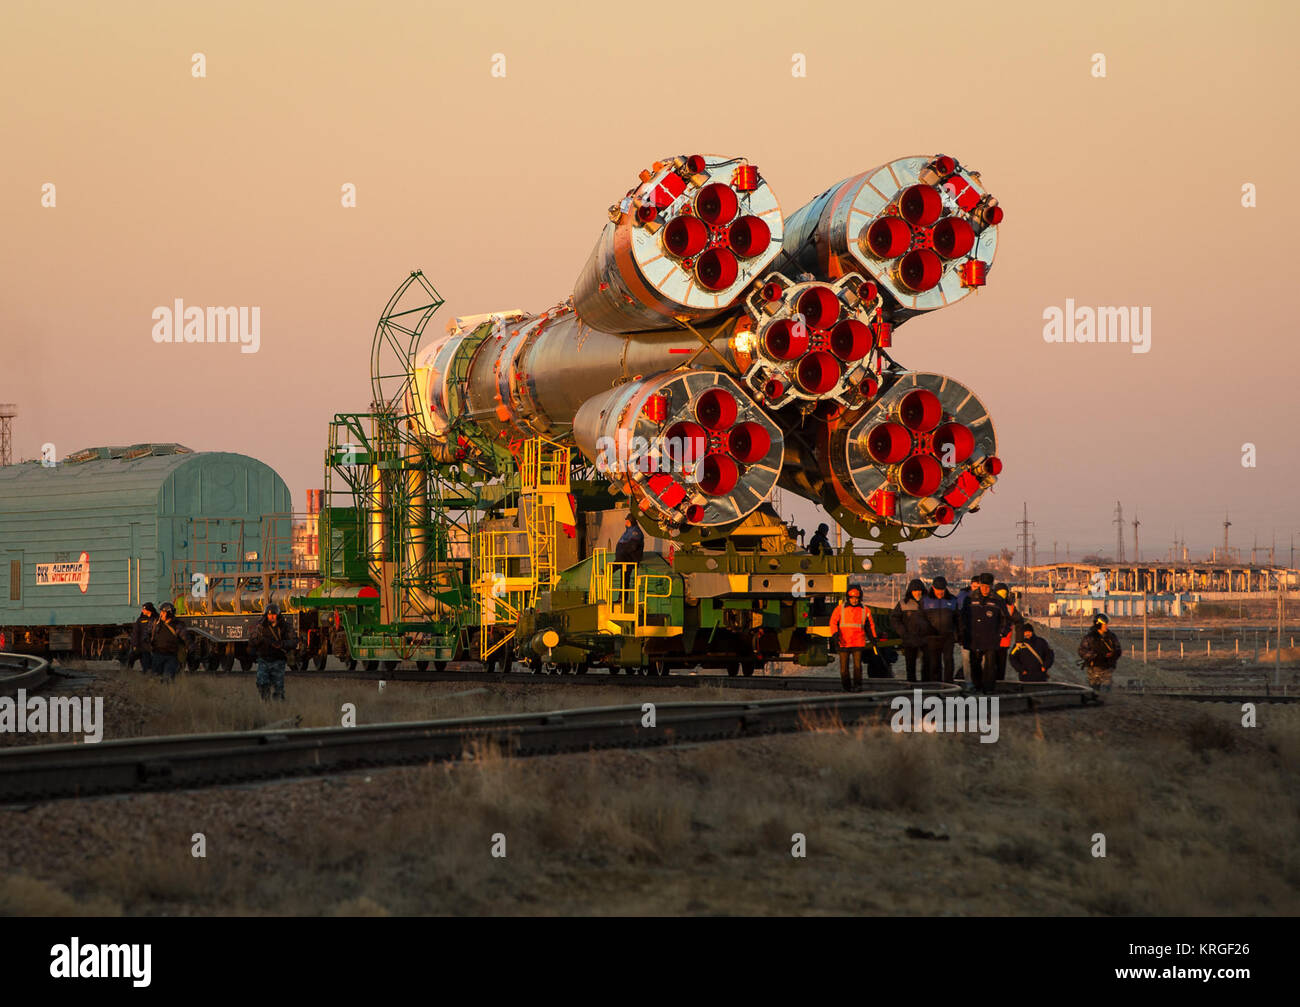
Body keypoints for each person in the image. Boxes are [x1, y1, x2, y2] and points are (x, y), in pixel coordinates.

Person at [960, 573, 1010, 694]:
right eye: (983, 586)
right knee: (975, 664)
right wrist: (963, 632)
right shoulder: (970, 599)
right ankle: (977, 686)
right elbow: (962, 617)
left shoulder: (998, 600)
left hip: (991, 638)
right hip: (974, 638)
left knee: (990, 665)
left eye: (987, 587)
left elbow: (1006, 619)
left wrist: (1001, 634)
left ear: (991, 586)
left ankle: (988, 689)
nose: (985, 589)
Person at [829, 584, 879, 692]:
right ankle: (846, 687)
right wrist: (835, 635)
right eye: (852, 598)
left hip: (857, 642)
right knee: (844, 668)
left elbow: (870, 626)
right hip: (843, 642)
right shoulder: (840, 609)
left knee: (857, 667)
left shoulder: (865, 610)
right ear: (848, 597)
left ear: (859, 598)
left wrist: (874, 639)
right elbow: (833, 622)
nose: (854, 600)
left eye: (856, 598)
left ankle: (857, 686)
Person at [250, 602, 298, 701]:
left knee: (278, 686)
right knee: (262, 683)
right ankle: (266, 703)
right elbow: (252, 640)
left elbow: (294, 641)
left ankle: (278, 707)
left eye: (274, 614)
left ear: (278, 615)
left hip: (278, 660)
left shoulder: (285, 626)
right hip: (264, 659)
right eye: (269, 614)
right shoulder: (260, 626)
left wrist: (282, 644)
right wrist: (258, 640)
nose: (272, 617)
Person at [891, 578, 934, 682]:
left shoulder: (929, 603)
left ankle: (926, 684)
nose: (917, 592)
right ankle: (911, 684)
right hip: (910, 638)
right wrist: (903, 633)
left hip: (926, 638)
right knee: (910, 665)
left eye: (919, 590)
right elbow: (895, 619)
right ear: (910, 591)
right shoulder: (903, 603)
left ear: (923, 590)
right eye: (915, 590)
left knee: (927, 664)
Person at [923, 577, 960, 683]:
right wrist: (927, 631)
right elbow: (921, 618)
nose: (940, 593)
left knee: (949, 661)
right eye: (938, 590)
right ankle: (935, 684)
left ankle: (949, 684)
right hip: (932, 637)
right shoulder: (925, 600)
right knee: (934, 663)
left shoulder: (953, 600)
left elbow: (958, 618)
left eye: (942, 590)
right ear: (933, 588)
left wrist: (958, 634)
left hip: (948, 636)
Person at [1078, 613, 1122, 692]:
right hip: (1094, 668)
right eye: (1104, 624)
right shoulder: (1090, 637)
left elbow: (1118, 649)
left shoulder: (1111, 637)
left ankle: (1105, 700)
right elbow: (1082, 651)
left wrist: (1112, 655)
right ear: (1099, 625)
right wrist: (1096, 656)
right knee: (1094, 689)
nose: (1106, 626)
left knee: (1106, 689)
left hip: (1107, 667)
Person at [993, 583, 1025, 682]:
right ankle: (997, 686)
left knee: (990, 666)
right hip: (1001, 642)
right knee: (1000, 667)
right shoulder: (1010, 607)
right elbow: (1019, 622)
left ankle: (990, 688)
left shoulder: (991, 604)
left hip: (993, 642)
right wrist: (1019, 640)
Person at [149, 602, 187, 681]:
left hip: (171, 657)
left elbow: (186, 638)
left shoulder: (178, 625)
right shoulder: (157, 623)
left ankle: (168, 692)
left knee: (168, 679)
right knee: (156, 679)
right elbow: (148, 634)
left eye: (163, 612)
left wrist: (191, 650)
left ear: (169, 613)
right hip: (157, 656)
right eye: (161, 612)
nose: (161, 614)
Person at [954, 574, 980, 680]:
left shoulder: (962, 596)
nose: (976, 590)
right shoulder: (963, 598)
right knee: (967, 659)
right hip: (967, 634)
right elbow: (959, 618)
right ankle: (969, 681)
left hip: (979, 634)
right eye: (974, 587)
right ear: (971, 586)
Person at [127, 602, 158, 672]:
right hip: (140, 646)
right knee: (131, 658)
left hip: (149, 646)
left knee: (146, 664)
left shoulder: (156, 619)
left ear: (149, 610)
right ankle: (128, 672)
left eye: (144, 609)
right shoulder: (140, 619)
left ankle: (146, 676)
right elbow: (135, 632)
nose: (142, 611)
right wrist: (134, 644)